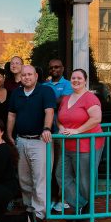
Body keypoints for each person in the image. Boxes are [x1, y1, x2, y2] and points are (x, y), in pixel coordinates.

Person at [7, 65, 56, 222]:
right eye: (24, 75)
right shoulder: (17, 93)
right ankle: (29, 208)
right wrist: (9, 135)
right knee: (24, 178)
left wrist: (47, 128)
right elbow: (11, 115)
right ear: (20, 77)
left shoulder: (45, 91)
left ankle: (39, 213)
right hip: (21, 140)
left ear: (36, 76)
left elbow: (49, 112)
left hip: (40, 141)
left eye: (29, 74)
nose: (26, 77)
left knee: (40, 178)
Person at [56, 69, 104, 214]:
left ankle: (85, 210)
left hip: (86, 145)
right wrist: (60, 127)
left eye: (79, 78)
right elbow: (59, 118)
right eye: (73, 78)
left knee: (84, 180)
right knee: (61, 175)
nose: (75, 80)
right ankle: (81, 203)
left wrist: (77, 131)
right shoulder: (66, 98)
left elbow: (96, 119)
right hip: (68, 145)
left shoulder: (90, 98)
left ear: (85, 80)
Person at [43, 59, 73, 212]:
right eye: (51, 67)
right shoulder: (44, 85)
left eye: (57, 67)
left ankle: (62, 198)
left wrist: (47, 101)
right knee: (48, 167)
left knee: (61, 168)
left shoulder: (68, 84)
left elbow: (64, 101)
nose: (54, 69)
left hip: (61, 133)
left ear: (62, 68)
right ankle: (50, 198)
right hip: (46, 133)